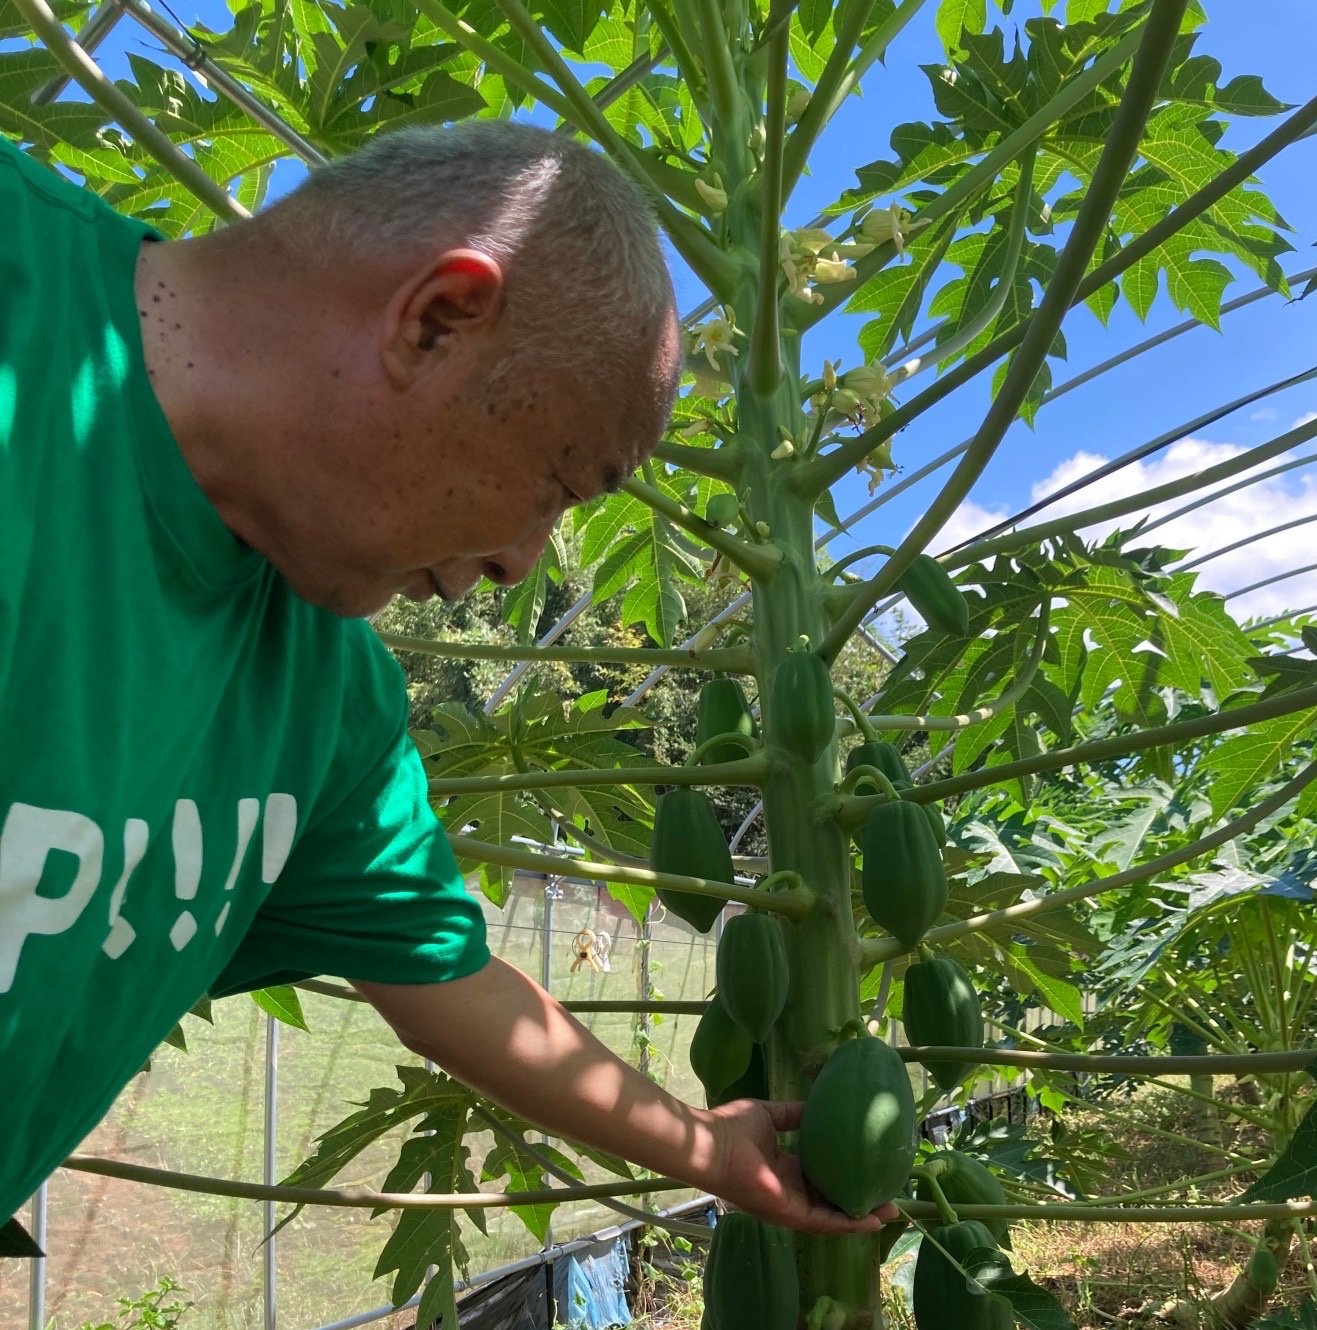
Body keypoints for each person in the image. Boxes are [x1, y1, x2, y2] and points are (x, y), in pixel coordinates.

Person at [0, 120, 894, 1239]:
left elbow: (457, 989)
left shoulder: (330, 706)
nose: (522, 559)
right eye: (561, 482)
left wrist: (705, 1147)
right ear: (436, 320)